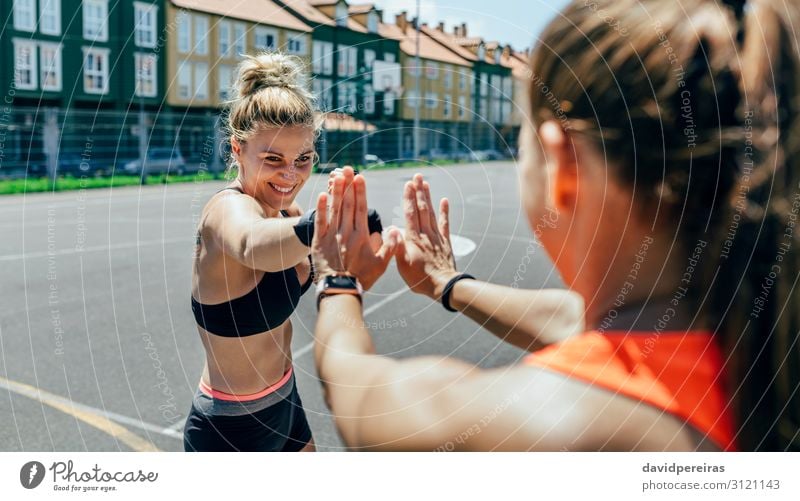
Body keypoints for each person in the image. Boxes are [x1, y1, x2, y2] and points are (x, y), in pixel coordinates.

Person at [310, 0, 800, 451]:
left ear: (564, 167)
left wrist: (338, 281)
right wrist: (448, 283)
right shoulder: (757, 326)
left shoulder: (560, 425)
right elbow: (571, 319)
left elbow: (361, 394)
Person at [183, 52, 390, 452]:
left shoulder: (288, 213)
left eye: (303, 159)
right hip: (230, 429)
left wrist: (354, 257)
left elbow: (315, 251)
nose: (290, 175)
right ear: (237, 149)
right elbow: (251, 243)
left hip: (286, 403)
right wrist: (321, 224)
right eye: (273, 159)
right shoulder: (227, 210)